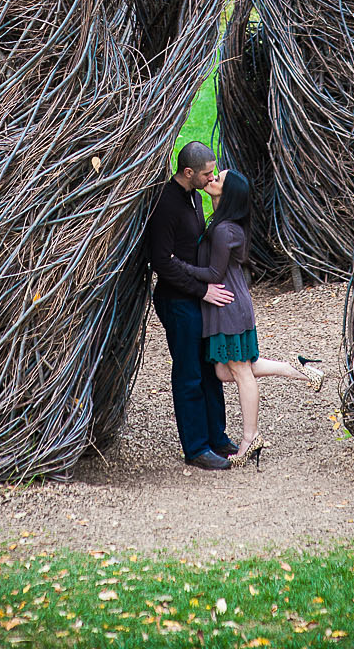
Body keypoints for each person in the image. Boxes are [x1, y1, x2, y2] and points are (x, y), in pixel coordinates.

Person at [185, 169, 323, 469]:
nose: (211, 180)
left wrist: (176, 266)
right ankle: (296, 370)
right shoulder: (226, 224)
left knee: (240, 371)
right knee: (225, 371)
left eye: (217, 179)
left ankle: (250, 439)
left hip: (228, 308)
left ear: (228, 193)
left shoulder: (224, 230)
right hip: (232, 305)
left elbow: (213, 275)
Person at [147, 141, 238, 471]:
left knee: (210, 369)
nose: (211, 177)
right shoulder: (166, 205)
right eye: (206, 173)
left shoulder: (196, 197)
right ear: (188, 172)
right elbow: (162, 262)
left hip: (196, 298)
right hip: (177, 301)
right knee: (188, 374)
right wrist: (202, 290)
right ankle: (196, 447)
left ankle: (217, 437)